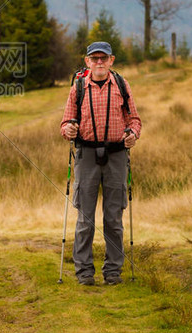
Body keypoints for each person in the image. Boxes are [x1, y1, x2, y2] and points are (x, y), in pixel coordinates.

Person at [60, 41, 142, 285]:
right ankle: (84, 272)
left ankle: (113, 271)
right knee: (85, 218)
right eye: (94, 58)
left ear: (111, 60)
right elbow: (64, 123)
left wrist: (133, 135)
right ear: (87, 61)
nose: (98, 62)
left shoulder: (121, 85)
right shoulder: (78, 87)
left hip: (117, 156)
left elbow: (135, 119)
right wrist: (69, 130)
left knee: (113, 218)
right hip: (86, 155)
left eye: (103, 58)